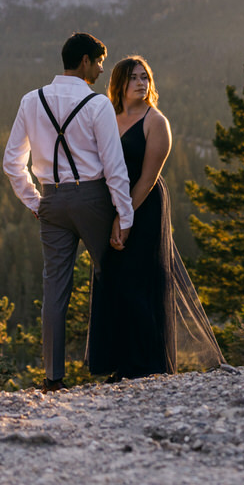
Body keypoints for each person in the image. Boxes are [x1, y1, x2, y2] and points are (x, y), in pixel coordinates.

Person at [2, 32, 134, 390]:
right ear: (86, 61)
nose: (102, 70)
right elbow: (113, 166)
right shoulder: (97, 105)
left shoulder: (31, 101)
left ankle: (53, 378)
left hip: (52, 201)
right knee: (115, 276)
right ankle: (123, 366)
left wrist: (35, 202)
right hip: (92, 199)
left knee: (55, 290)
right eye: (99, 62)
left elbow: (12, 163)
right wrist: (125, 215)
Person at [90, 55, 223, 377]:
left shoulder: (155, 122)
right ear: (119, 83)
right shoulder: (107, 116)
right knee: (112, 280)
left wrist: (124, 219)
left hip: (143, 206)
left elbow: (148, 179)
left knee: (140, 280)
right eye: (134, 77)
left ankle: (147, 365)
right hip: (112, 206)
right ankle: (118, 363)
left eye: (145, 77)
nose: (141, 83)